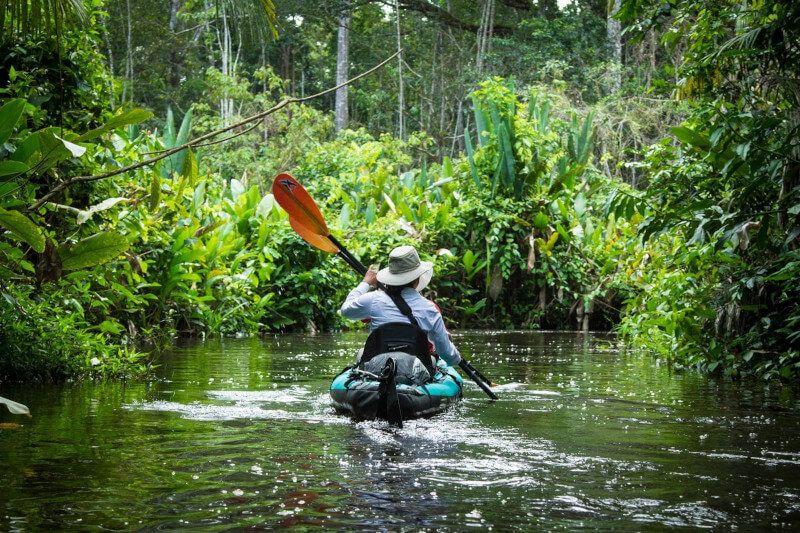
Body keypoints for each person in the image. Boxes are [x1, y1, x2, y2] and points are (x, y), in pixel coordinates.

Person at [340, 245, 462, 367]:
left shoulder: (373, 300)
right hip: (415, 373)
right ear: (417, 279)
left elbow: (345, 310)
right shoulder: (430, 309)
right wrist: (456, 358)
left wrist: (365, 283)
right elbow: (447, 355)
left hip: (378, 369)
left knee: (361, 353)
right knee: (434, 360)